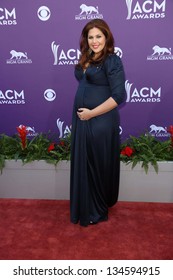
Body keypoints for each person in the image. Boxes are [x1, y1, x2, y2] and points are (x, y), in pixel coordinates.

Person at [70, 19, 126, 227]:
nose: (94, 41)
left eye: (98, 36)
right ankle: (84, 208)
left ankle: (96, 211)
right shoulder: (87, 58)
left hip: (100, 121)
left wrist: (92, 113)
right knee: (86, 163)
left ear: (107, 37)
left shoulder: (112, 60)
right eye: (90, 37)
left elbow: (119, 96)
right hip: (83, 121)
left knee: (97, 165)